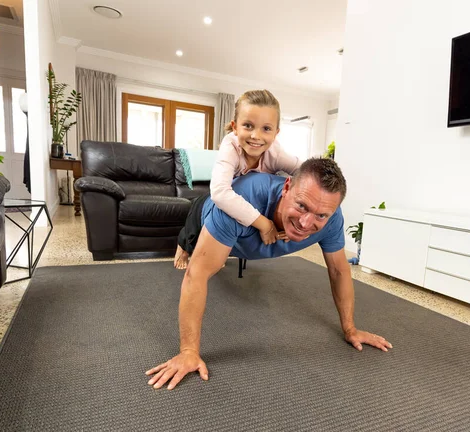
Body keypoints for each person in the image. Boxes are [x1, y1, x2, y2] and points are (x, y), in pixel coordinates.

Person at [147, 158, 393, 390]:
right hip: (204, 213)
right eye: (301, 206)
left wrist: (351, 329)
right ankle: (183, 242)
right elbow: (196, 275)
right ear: (286, 187)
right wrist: (189, 351)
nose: (307, 223)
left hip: (241, 239)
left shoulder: (331, 218)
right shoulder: (240, 199)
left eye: (320, 215)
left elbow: (339, 270)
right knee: (192, 247)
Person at [174, 89, 302, 269]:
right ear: (235, 127)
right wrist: (265, 225)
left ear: (276, 133)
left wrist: (293, 220)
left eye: (266, 128)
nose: (256, 136)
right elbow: (220, 194)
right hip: (221, 197)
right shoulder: (230, 146)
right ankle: (183, 247)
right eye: (248, 125)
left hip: (253, 201)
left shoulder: (276, 153)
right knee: (199, 208)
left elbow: (305, 174)